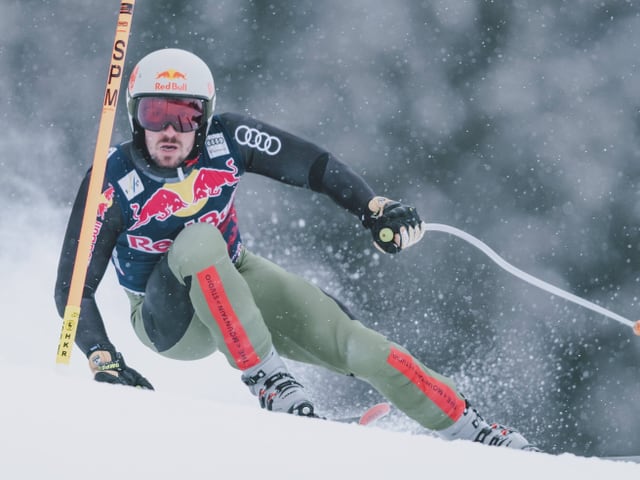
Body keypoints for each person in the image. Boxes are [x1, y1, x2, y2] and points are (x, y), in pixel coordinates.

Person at [55, 48, 537, 450]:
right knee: (198, 239)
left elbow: (313, 165)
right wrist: (104, 359)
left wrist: (371, 208)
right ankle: (270, 382)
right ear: (134, 116)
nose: (169, 130)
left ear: (204, 116)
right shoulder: (111, 178)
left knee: (357, 343)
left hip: (235, 278)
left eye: (185, 114)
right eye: (154, 113)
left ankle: (472, 429)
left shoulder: (229, 139)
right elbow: (72, 287)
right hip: (169, 321)